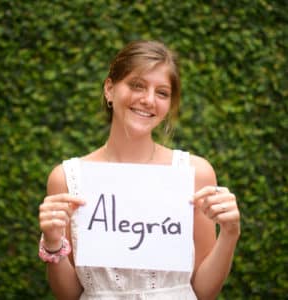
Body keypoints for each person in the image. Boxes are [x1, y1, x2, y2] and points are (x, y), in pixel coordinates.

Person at [38, 40, 240, 300]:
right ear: (109, 89)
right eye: (137, 85)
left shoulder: (193, 173)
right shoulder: (67, 178)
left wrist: (230, 233)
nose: (148, 100)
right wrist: (53, 243)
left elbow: (203, 291)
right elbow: (69, 295)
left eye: (162, 93)